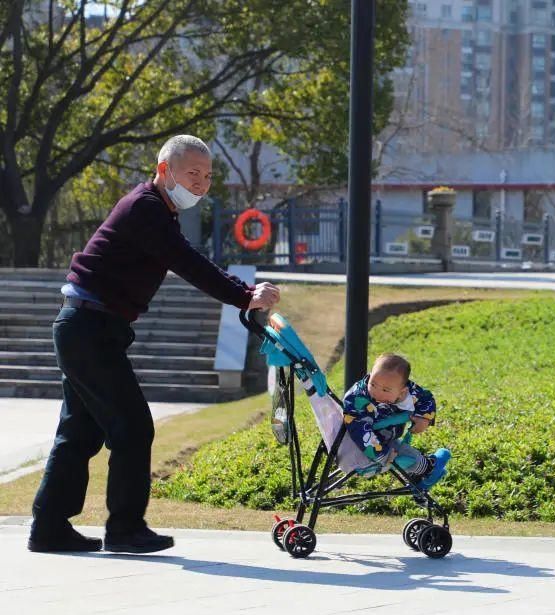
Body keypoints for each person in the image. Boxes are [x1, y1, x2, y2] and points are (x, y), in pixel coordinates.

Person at [29, 135, 281, 554]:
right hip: (89, 328)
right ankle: (125, 529)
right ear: (164, 170)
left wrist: (242, 292)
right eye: (192, 174)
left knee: (80, 431)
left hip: (88, 327)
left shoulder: (157, 209)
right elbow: (187, 261)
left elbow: (181, 257)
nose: (201, 183)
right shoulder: (146, 208)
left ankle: (50, 527)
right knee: (132, 426)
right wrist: (244, 294)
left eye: (207, 176)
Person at [342, 352, 450, 490]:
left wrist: (424, 418)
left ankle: (420, 475)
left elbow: (426, 399)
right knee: (406, 455)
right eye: (373, 384)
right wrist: (382, 456)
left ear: (402, 391)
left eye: (386, 390)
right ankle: (429, 469)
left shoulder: (409, 392)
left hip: (387, 437)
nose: (377, 393)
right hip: (368, 447)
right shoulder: (357, 399)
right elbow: (361, 432)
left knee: (404, 451)